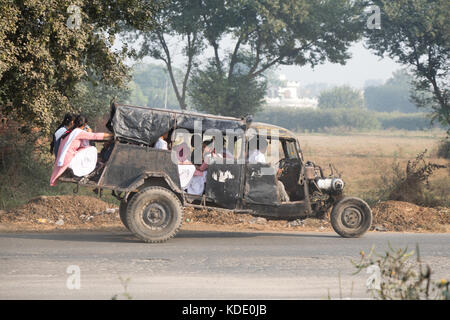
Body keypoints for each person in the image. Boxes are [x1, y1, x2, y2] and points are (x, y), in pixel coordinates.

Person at [49, 115, 113, 186]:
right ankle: (87, 170)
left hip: (64, 158)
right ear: (85, 124)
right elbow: (95, 136)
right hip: (68, 159)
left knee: (87, 148)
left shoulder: (71, 131)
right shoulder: (78, 132)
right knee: (92, 149)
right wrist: (111, 135)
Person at [248, 137, 290, 202]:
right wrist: (276, 170)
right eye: (265, 147)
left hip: (255, 179)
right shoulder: (259, 156)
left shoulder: (254, 154)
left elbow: (260, 167)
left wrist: (269, 166)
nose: (266, 149)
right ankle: (286, 202)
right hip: (259, 181)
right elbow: (262, 170)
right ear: (262, 146)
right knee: (280, 184)